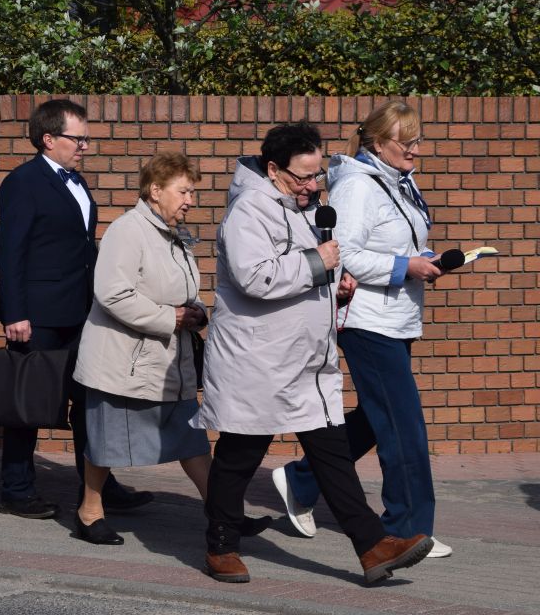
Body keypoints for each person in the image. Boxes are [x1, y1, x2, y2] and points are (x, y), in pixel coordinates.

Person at [194, 121, 432, 585]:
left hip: (306, 361)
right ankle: (220, 546)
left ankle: (372, 546)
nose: (311, 185)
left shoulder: (304, 207)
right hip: (258, 359)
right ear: (273, 169)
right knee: (240, 455)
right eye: (301, 176)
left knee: (333, 456)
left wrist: (336, 285)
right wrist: (317, 264)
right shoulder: (249, 209)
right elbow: (255, 277)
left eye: (316, 175)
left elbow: (309, 269)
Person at [273, 102, 452, 558]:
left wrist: (423, 258)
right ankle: (408, 529)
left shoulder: (398, 181)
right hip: (368, 322)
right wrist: (405, 267)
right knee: (404, 427)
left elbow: (395, 242)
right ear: (377, 143)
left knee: (378, 417)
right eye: (406, 142)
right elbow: (345, 254)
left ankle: (301, 480)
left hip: (396, 318)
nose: (416, 150)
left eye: (417, 141)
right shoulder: (358, 186)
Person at [72, 152, 270, 545]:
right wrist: (171, 317)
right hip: (123, 362)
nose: (190, 200)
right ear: (155, 190)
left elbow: (182, 290)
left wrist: (194, 311)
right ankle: (89, 511)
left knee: (191, 440)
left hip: (167, 364)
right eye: (184, 192)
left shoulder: (172, 234)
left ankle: (223, 513)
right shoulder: (128, 231)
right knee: (107, 442)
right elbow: (112, 294)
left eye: (191, 192)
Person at [0, 98, 151, 520]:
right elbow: (10, 252)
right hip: (37, 315)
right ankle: (16, 489)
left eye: (86, 139)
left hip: (81, 312)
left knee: (89, 402)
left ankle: (97, 486)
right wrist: (14, 313)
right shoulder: (22, 182)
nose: (85, 146)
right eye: (77, 139)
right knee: (27, 405)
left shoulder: (76, 182)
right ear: (48, 139)